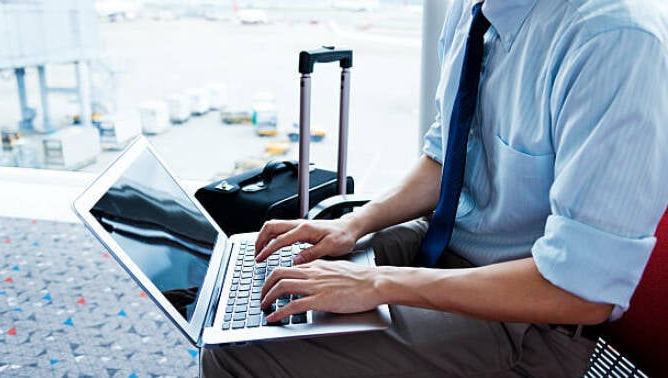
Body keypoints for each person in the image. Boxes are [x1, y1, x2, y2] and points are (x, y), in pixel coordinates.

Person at [202, 0, 668, 376]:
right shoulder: (476, 10)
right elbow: (444, 158)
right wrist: (354, 223)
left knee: (238, 354)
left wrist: (378, 283)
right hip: (444, 249)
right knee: (265, 276)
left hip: (529, 320)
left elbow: (581, 292)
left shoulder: (615, 39)